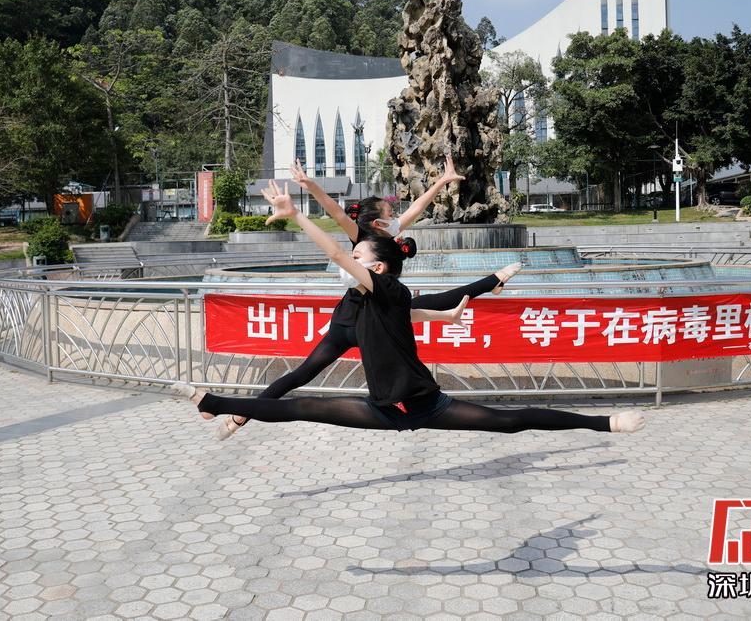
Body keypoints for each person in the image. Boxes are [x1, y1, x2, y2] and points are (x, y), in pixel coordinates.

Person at [173, 181, 645, 436]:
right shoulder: (371, 300)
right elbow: (416, 313)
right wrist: (447, 317)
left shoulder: (385, 290)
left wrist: (297, 215)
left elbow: (337, 253)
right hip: (384, 411)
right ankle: (213, 404)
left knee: (512, 421)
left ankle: (604, 423)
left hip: (428, 406)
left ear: (378, 268)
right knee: (303, 407)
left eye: (360, 256)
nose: (351, 258)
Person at [211, 156, 522, 440]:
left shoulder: (388, 239)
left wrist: (441, 181)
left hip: (377, 319)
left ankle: (491, 282)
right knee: (303, 373)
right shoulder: (361, 237)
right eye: (390, 213)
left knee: (431, 301)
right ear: (376, 221)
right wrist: (310, 185)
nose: (396, 216)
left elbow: (417, 208)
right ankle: (242, 414)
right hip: (350, 321)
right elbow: (335, 212)